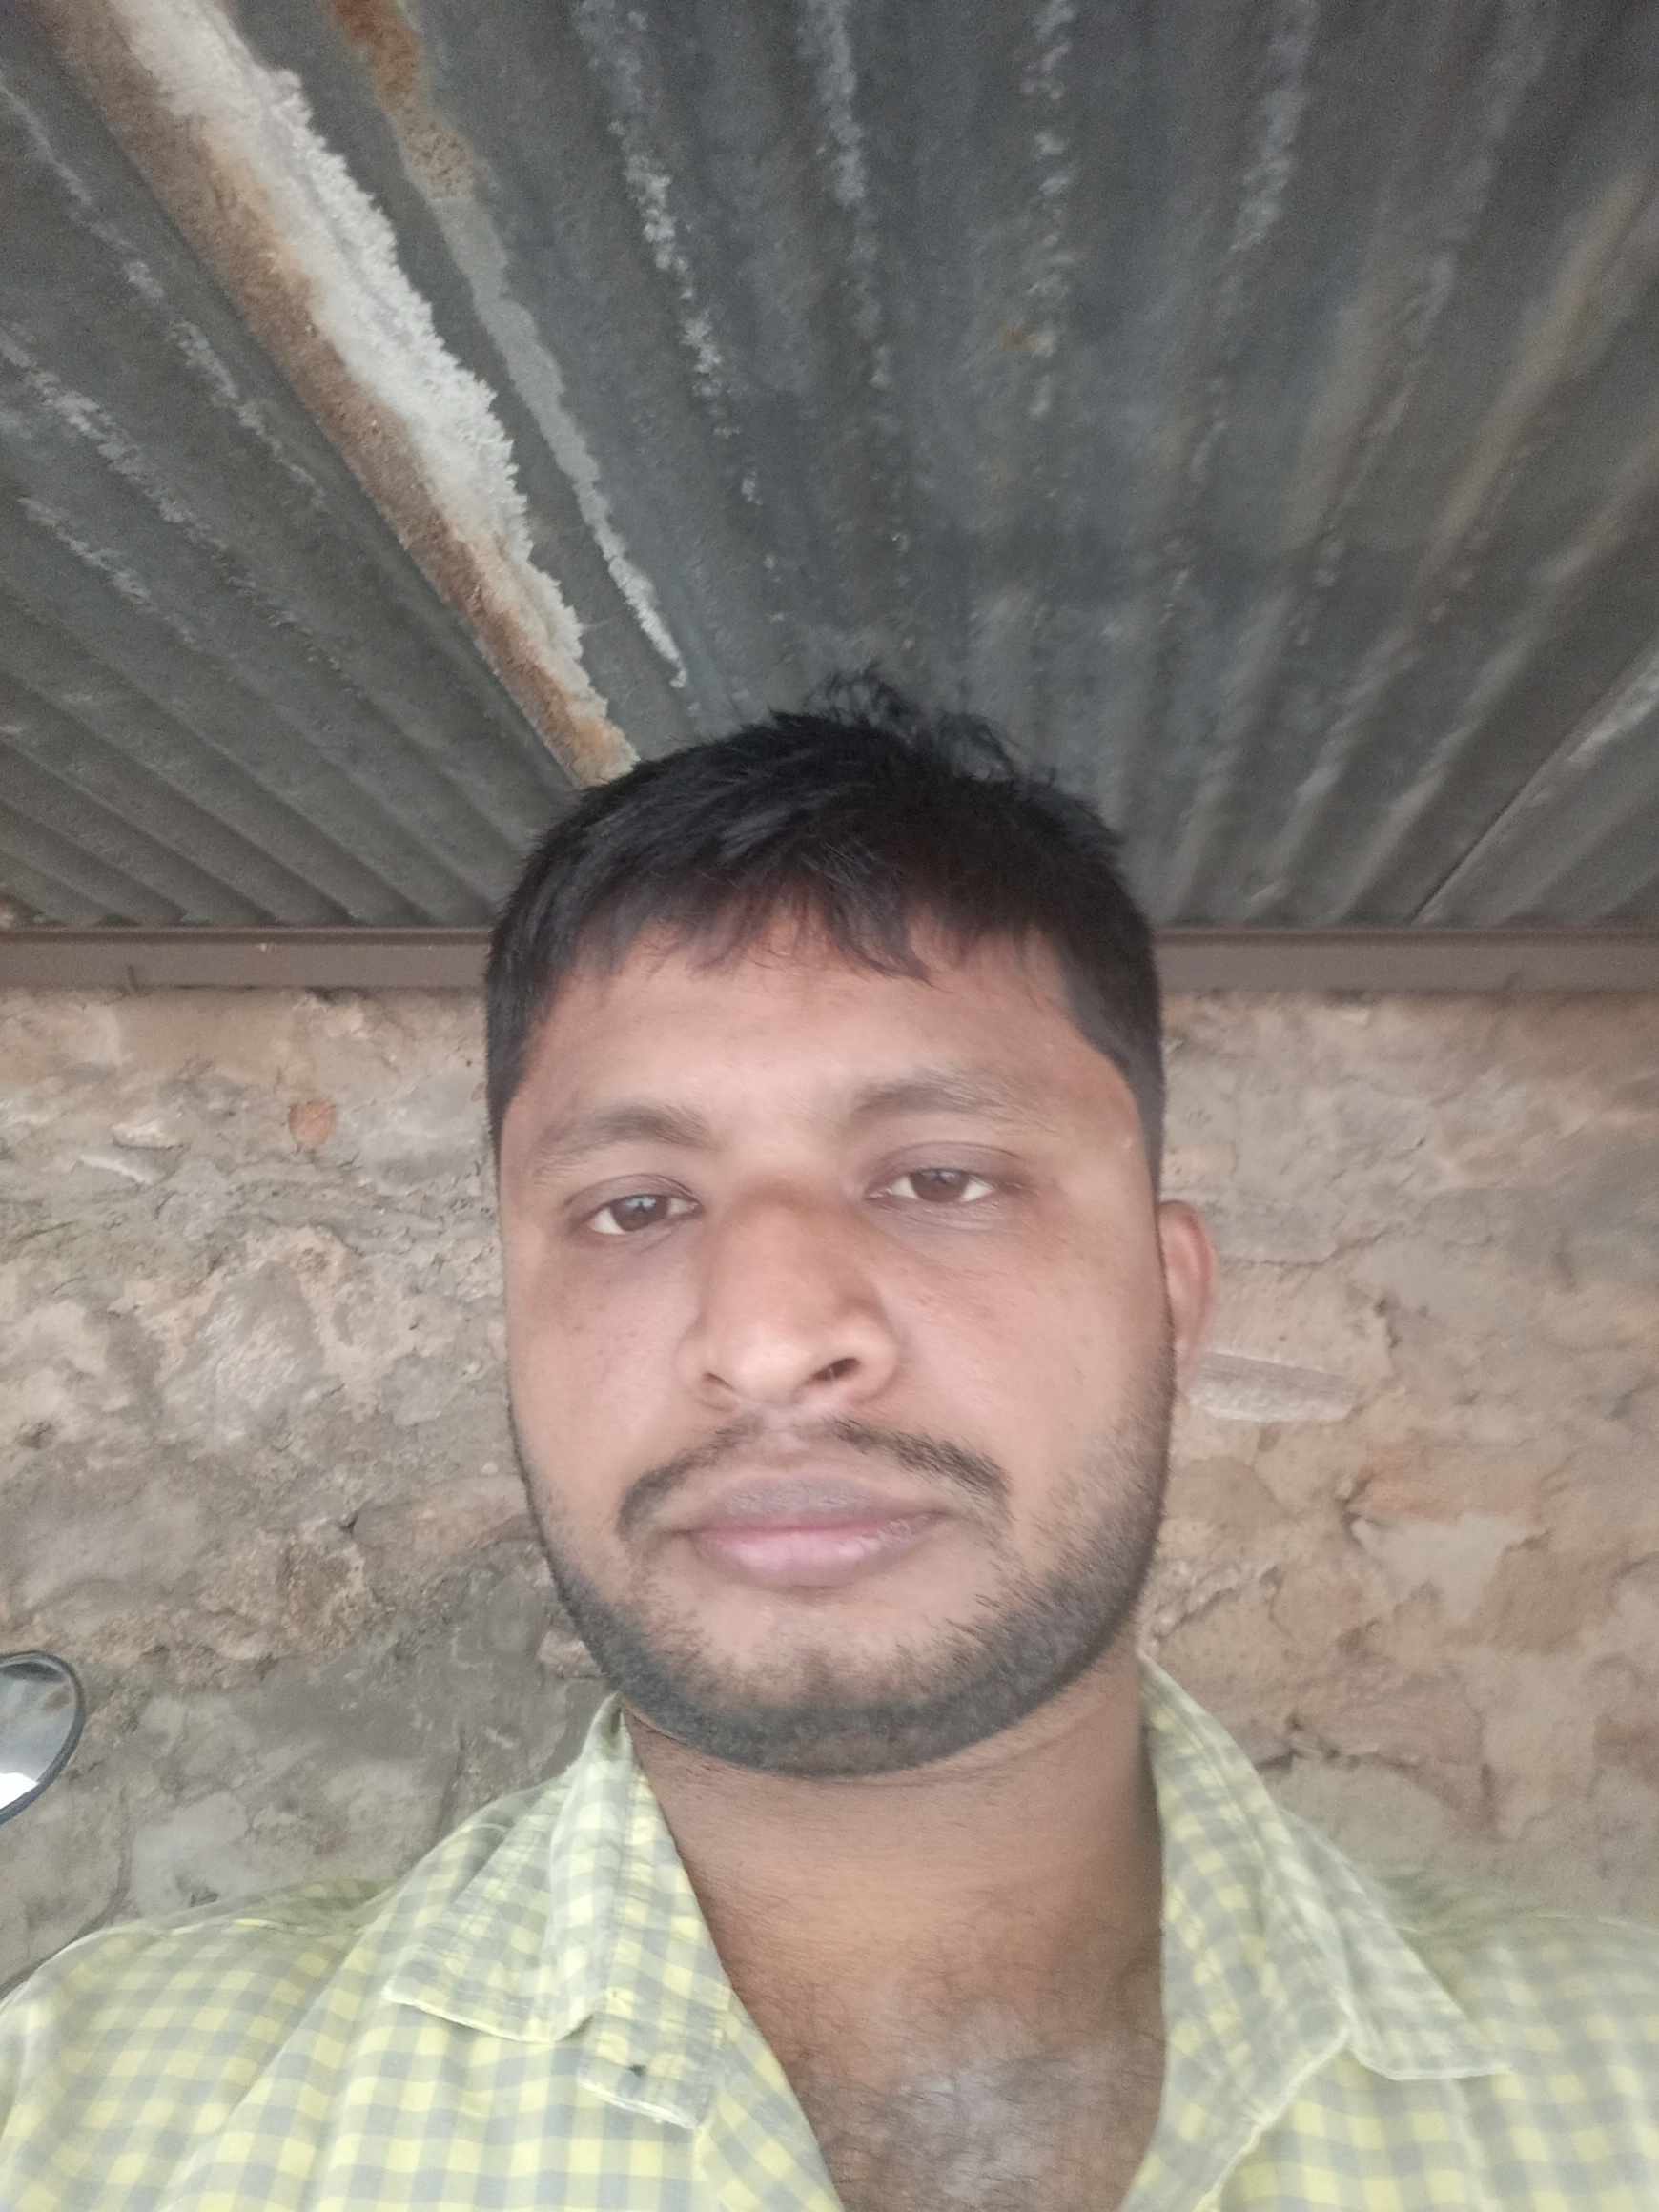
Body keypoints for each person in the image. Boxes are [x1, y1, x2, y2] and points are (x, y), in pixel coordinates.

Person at [2, 674, 1656, 2211]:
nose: (773, 1338)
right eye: (635, 1206)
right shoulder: (85, 2117)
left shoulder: (1624, 2086)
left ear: (1170, 1302)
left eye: (942, 1178)